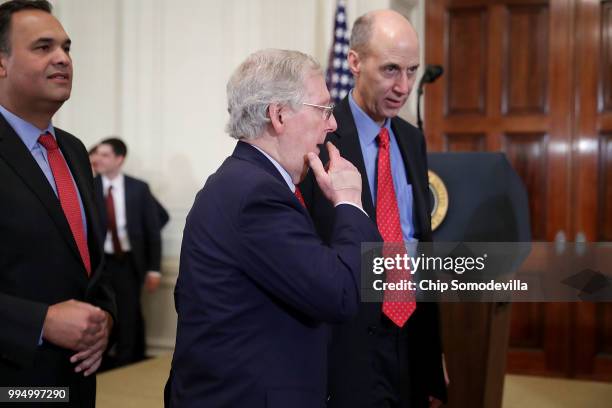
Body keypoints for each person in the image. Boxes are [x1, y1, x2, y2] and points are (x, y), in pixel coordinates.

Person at [165, 48, 380, 408]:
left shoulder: (244, 182)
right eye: (324, 110)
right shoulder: (255, 195)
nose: (333, 125)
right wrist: (349, 201)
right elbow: (340, 294)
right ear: (278, 115)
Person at [300, 10, 447, 408]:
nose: (403, 86)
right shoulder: (317, 140)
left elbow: (419, 241)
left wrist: (433, 358)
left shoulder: (411, 138)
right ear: (354, 62)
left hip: (410, 333)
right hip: (347, 342)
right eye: (390, 70)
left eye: (412, 71)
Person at [0, 1, 115, 407]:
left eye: (66, 47)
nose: (63, 58)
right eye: (43, 47)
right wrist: (40, 322)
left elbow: (88, 265)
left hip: (74, 381)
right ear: (1, 64)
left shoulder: (73, 151)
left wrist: (105, 321)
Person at [93, 137, 164, 367]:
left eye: (105, 155)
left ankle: (126, 361)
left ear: (119, 159)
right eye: (97, 154)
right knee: (100, 312)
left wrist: (154, 269)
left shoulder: (138, 188)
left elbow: (153, 230)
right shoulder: (88, 185)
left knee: (129, 313)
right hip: (99, 264)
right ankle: (101, 360)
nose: (97, 159)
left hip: (128, 262)